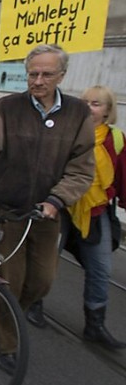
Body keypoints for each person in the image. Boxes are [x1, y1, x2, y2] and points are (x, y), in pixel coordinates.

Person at [0, 44, 94, 370]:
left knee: (41, 281)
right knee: (8, 281)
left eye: (46, 74)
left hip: (47, 214)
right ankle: (6, 343)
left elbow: (81, 167)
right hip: (7, 213)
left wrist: (57, 200)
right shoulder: (6, 109)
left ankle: (13, 314)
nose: (38, 80)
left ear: (61, 76)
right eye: (33, 73)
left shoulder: (78, 114)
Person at [61, 86, 126, 350]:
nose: (89, 107)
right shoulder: (66, 134)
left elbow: (122, 177)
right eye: (84, 102)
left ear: (108, 110)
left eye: (96, 104)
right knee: (45, 263)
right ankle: (33, 306)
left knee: (101, 270)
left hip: (96, 212)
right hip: (62, 208)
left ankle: (95, 325)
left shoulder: (117, 140)